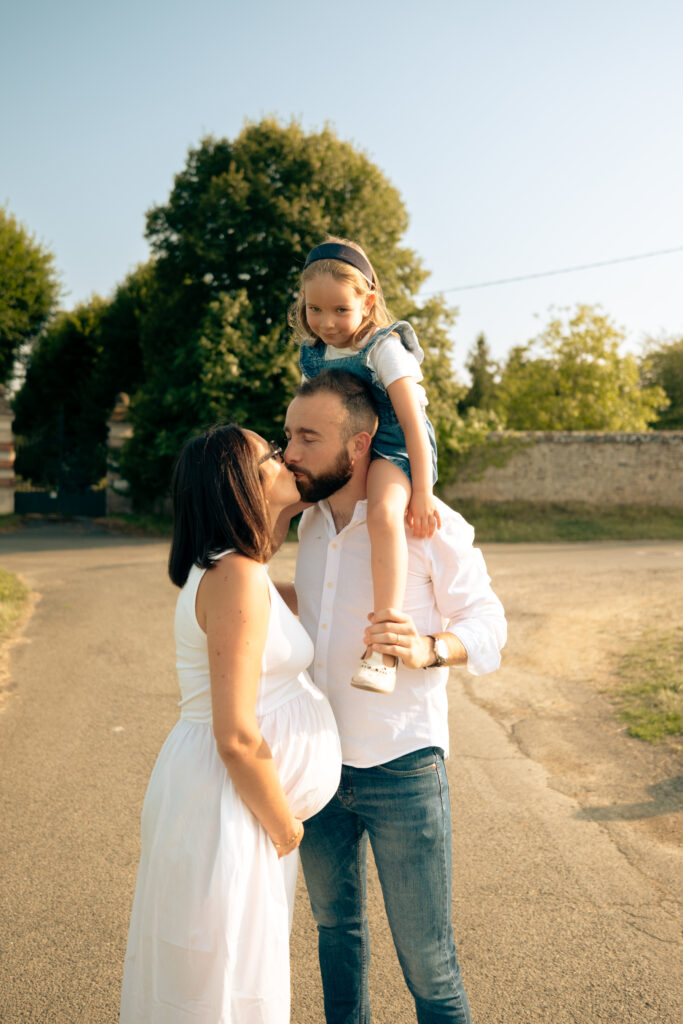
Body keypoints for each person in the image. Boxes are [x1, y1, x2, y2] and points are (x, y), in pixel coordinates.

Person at [282, 371, 507, 1024]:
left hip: (403, 768)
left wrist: (431, 647)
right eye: (287, 433)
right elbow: (320, 613)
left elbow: (489, 624)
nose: (289, 450)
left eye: (306, 437)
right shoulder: (312, 524)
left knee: (428, 965)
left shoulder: (424, 522)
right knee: (335, 937)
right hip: (317, 769)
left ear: (357, 445)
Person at [119, 425, 342, 1024]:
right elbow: (237, 735)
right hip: (232, 804)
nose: (286, 456)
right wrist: (285, 826)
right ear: (241, 485)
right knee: (222, 983)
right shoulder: (234, 576)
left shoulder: (247, 574)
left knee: (228, 973)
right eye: (271, 453)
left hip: (233, 803)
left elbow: (323, 601)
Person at [290, 237, 440, 693]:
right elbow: (309, 410)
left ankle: (385, 643)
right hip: (347, 444)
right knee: (290, 493)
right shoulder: (313, 355)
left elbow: (413, 422)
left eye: (340, 310)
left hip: (393, 445)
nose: (326, 322)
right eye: (315, 309)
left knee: (380, 513)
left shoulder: (384, 348)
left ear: (368, 301)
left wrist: (423, 490)